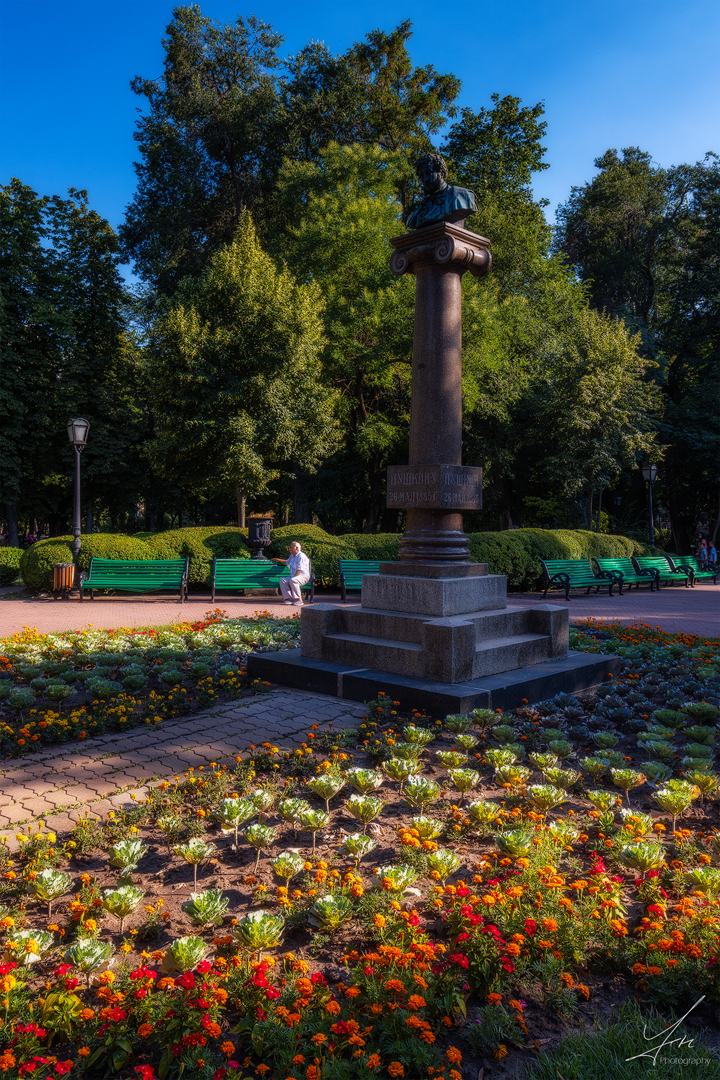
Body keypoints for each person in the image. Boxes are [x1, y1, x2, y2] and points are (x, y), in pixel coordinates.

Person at [405, 152, 478, 230]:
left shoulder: (462, 196)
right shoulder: (420, 210)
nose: (425, 179)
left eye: (429, 173)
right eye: (422, 176)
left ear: (441, 173)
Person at [272, 541, 311, 606]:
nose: (290, 547)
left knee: (293, 580)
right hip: (294, 576)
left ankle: (299, 600)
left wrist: (292, 579)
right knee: (282, 580)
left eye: (291, 546)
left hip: (303, 576)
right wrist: (277, 559)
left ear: (297, 548)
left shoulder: (301, 556)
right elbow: (286, 562)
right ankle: (289, 599)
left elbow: (299, 571)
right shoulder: (292, 555)